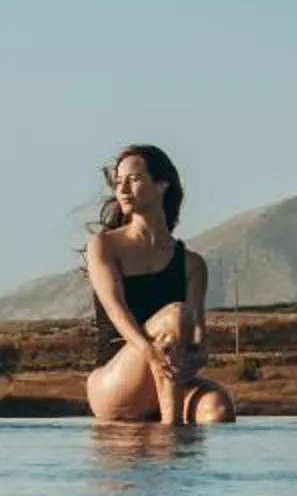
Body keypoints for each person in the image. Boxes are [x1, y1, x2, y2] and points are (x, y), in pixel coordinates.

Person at [83, 144, 238, 426]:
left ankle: (174, 422)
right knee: (175, 315)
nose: (124, 190)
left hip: (168, 378)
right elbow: (116, 310)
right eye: (119, 183)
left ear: (161, 185)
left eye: (135, 179)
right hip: (116, 380)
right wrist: (149, 351)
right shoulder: (104, 245)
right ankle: (172, 432)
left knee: (218, 410)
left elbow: (199, 337)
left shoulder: (192, 264)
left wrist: (198, 355)